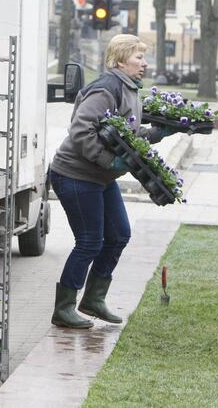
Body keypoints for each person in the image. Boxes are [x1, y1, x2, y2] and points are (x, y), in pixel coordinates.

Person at [49, 34, 171, 329]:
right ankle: (63, 308)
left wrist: (158, 133)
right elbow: (80, 131)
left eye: (144, 57)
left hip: (99, 179)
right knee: (90, 241)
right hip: (75, 175)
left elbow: (126, 133)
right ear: (120, 60)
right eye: (139, 57)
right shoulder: (106, 89)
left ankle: (93, 299)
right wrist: (108, 161)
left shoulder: (129, 89)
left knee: (118, 235)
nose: (144, 63)